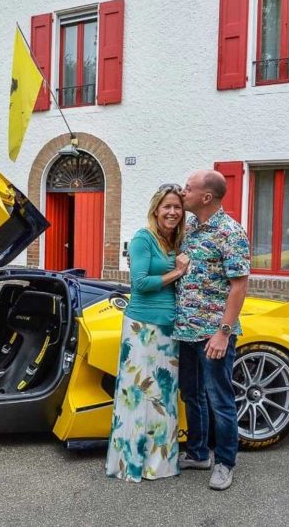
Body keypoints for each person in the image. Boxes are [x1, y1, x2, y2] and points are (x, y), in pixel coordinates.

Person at [106, 184, 190, 482]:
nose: (172, 212)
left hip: (170, 329)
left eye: (177, 207)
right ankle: (133, 463)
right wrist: (178, 271)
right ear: (156, 209)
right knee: (138, 394)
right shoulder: (144, 239)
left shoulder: (177, 241)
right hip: (142, 328)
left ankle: (160, 463)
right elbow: (140, 283)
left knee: (163, 396)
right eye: (167, 206)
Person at [174, 170, 250, 491]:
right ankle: (198, 453)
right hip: (186, 330)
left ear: (206, 197)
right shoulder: (189, 229)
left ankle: (225, 463)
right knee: (191, 393)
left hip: (212, 334)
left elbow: (239, 286)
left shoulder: (231, 233)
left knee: (220, 398)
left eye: (188, 188)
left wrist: (223, 332)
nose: (182, 191)